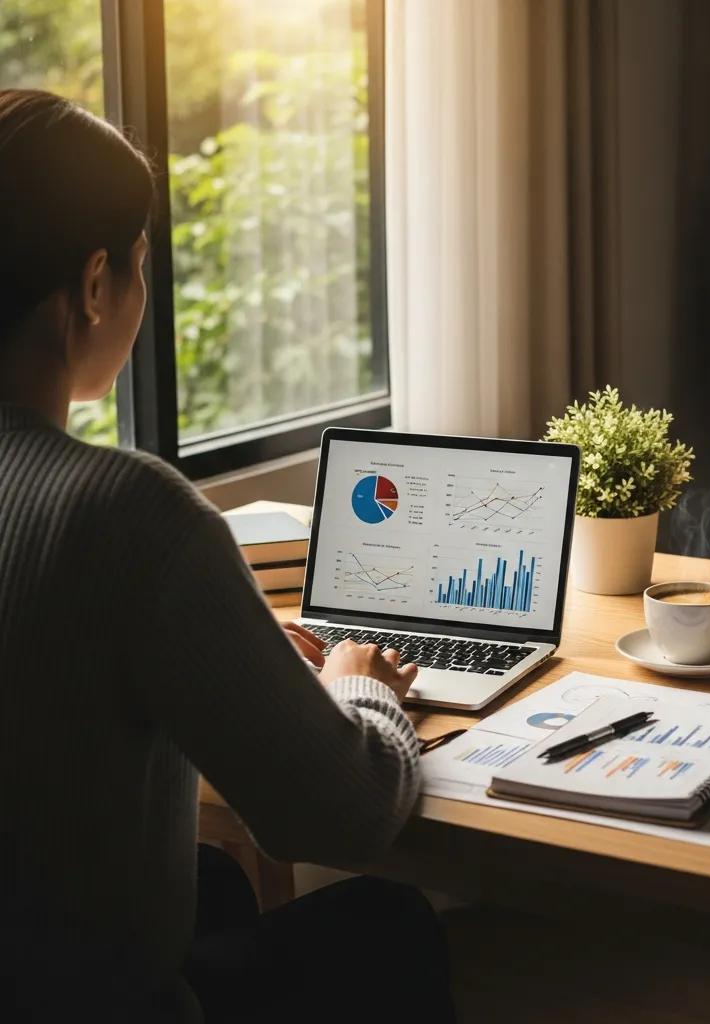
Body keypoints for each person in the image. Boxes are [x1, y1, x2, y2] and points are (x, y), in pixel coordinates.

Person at [0, 89, 455, 1022]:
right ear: (92, 289)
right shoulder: (132, 514)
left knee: (215, 884)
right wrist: (359, 683)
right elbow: (345, 814)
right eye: (137, 265)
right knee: (384, 925)